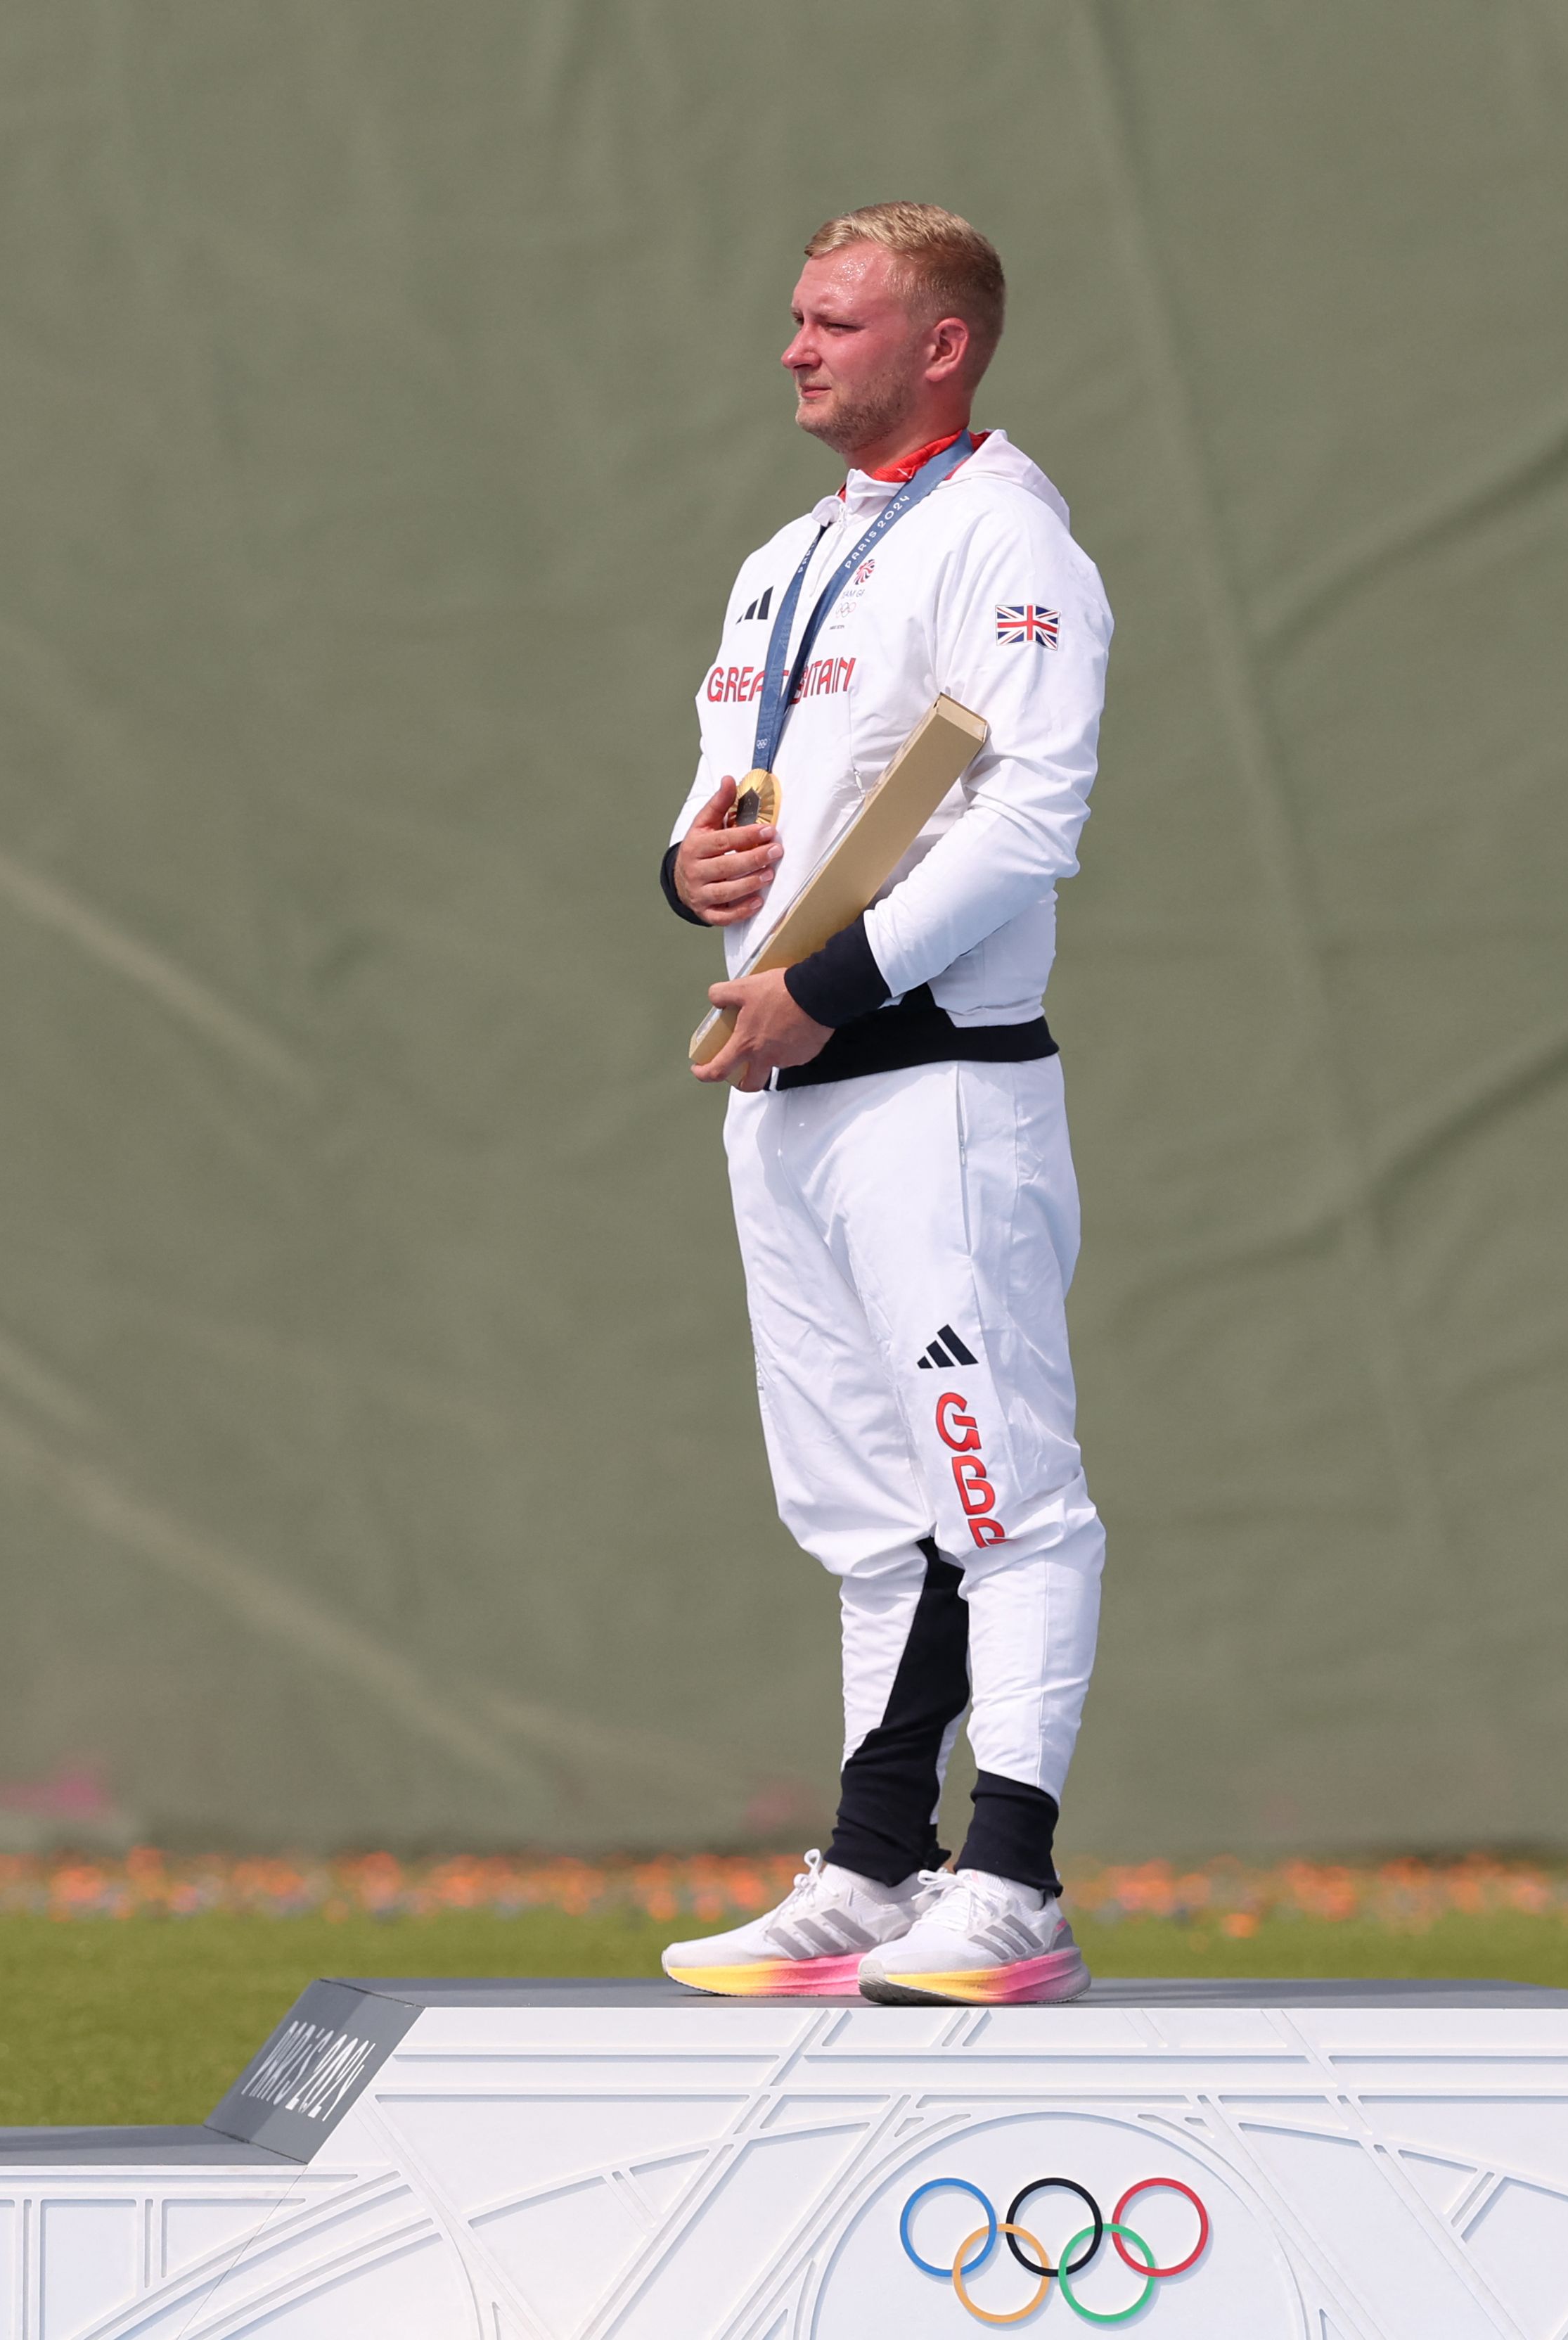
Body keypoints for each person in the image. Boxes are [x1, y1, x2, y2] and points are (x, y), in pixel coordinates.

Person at [653, 204, 1115, 2006]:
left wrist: (823, 984)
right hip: (783, 1097)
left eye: (833, 321)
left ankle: (1012, 1878)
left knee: (1003, 1492)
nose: (793, 346)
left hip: (935, 1089)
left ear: (942, 345)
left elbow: (1025, 821)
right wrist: (688, 868)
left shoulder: (1009, 542)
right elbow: (734, 783)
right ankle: (869, 1862)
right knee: (859, 1511)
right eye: (794, 315)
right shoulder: (786, 557)